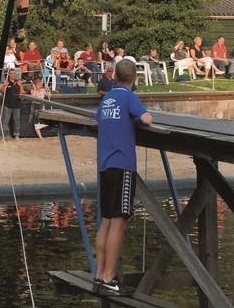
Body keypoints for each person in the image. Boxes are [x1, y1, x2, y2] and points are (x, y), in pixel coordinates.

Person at [94, 59, 152, 296]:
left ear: (115, 76)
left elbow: (101, 120)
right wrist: (141, 117)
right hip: (122, 164)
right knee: (119, 221)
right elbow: (146, 119)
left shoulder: (106, 99)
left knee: (106, 220)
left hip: (105, 165)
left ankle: (99, 274)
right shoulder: (128, 97)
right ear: (134, 79)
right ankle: (109, 278)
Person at [0, 69, 26, 139]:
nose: (13, 75)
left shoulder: (18, 83)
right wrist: (4, 85)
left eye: (14, 73)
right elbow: (1, 91)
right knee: (5, 121)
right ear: (9, 75)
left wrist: (21, 93)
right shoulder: (6, 83)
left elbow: (22, 93)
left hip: (17, 105)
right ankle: (3, 135)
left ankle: (17, 135)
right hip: (8, 105)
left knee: (17, 121)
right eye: (11, 73)